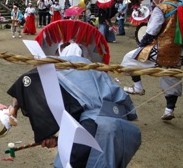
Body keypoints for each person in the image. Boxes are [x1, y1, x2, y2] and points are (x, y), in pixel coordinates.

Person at [7, 52, 141, 167]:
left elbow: (26, 84)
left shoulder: (57, 69)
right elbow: (125, 102)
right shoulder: (88, 68)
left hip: (96, 129)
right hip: (125, 132)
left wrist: (45, 135)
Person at [121, 0, 182, 120]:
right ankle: (169, 110)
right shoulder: (181, 6)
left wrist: (141, 46)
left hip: (160, 50)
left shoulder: (161, 8)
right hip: (179, 52)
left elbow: (151, 31)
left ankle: (138, 87)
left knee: (129, 58)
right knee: (171, 75)